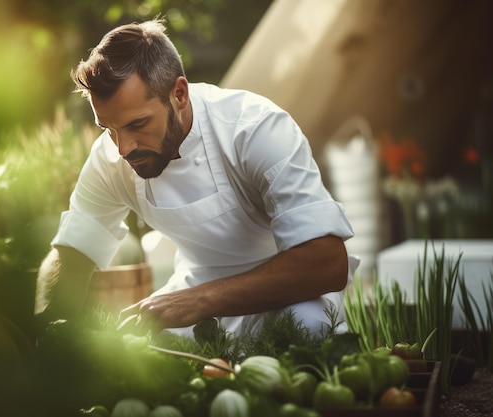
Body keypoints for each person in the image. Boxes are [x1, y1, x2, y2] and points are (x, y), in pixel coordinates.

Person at [34, 18, 359, 339]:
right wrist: (46, 335)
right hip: (190, 303)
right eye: (109, 129)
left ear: (179, 94)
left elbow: (327, 262)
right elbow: (72, 255)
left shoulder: (255, 129)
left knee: (308, 327)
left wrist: (199, 300)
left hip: (289, 295)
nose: (123, 149)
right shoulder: (110, 158)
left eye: (137, 124)